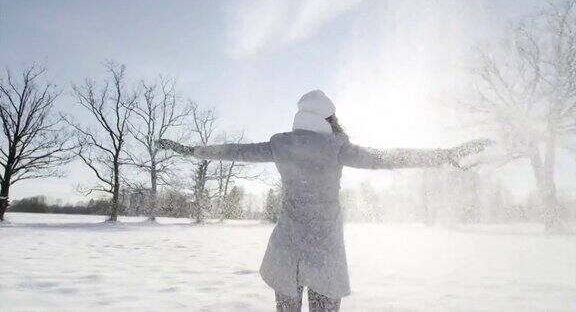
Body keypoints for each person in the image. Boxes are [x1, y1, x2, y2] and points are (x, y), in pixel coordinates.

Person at [155, 90, 490, 312]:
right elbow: (387, 157)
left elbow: (234, 151)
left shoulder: (280, 145)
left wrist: (191, 151)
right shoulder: (337, 147)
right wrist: (443, 156)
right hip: (324, 256)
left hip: (285, 253)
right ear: (328, 119)